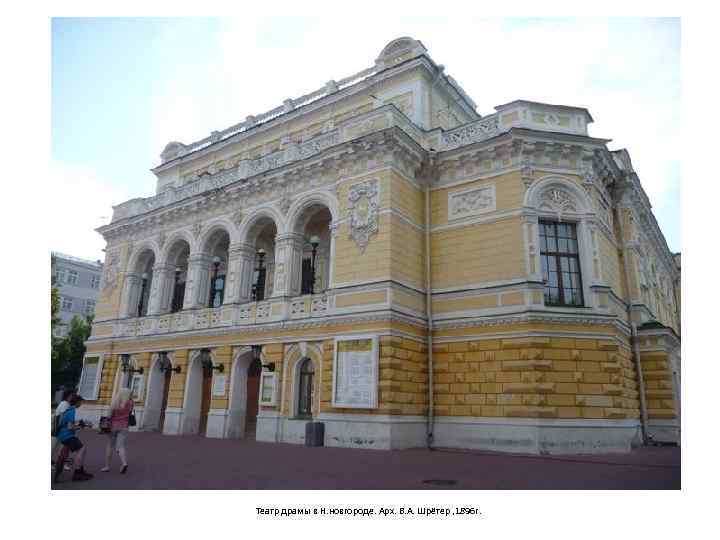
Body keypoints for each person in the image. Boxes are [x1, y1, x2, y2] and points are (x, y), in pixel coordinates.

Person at [53, 395, 94, 483]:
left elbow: (68, 423)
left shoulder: (68, 410)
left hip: (63, 436)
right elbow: (70, 427)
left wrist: (81, 423)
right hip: (67, 436)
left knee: (63, 456)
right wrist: (82, 426)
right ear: (77, 402)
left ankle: (57, 477)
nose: (81, 404)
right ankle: (77, 473)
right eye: (80, 402)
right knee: (82, 449)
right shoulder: (72, 411)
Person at [102, 388, 133, 474]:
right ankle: (124, 463)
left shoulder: (115, 402)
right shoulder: (130, 403)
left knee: (110, 445)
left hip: (113, 426)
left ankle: (107, 466)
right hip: (124, 427)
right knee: (120, 446)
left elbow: (109, 415)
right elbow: (129, 413)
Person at [51, 389, 74, 471]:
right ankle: (60, 463)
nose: (72, 397)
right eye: (71, 395)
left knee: (57, 446)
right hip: (60, 428)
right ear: (68, 396)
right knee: (57, 447)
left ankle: (59, 463)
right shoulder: (65, 404)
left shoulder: (64, 403)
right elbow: (64, 417)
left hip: (59, 427)